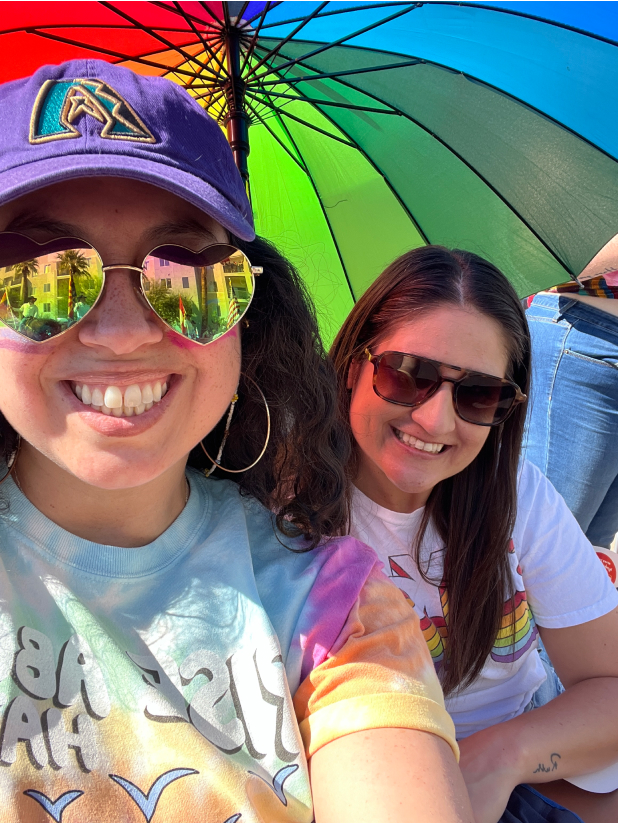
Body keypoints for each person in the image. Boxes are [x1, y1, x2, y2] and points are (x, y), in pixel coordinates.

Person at [0, 61, 473, 822]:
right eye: (37, 277)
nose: (122, 336)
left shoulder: (332, 607)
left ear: (248, 314)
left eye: (187, 275)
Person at [330, 246, 618, 823]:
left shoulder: (515, 495)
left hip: (518, 760)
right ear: (354, 364)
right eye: (407, 375)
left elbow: (607, 684)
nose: (436, 420)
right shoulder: (285, 514)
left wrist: (499, 757)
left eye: (478, 394)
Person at [523, 235, 618, 548]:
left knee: (591, 559)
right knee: (544, 546)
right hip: (588, 328)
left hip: (590, 338)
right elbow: (566, 250)